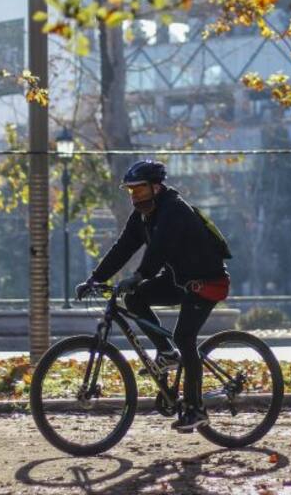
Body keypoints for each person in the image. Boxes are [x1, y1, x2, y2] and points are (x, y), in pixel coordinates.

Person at [75, 159, 232, 432]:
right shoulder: (142, 216)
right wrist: (95, 278)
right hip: (180, 281)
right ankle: (166, 353)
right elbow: (123, 247)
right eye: (131, 190)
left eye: (140, 189)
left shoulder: (174, 210)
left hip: (207, 282)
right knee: (134, 298)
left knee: (185, 337)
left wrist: (139, 275)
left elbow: (159, 249)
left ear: (156, 187)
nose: (135, 195)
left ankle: (196, 409)